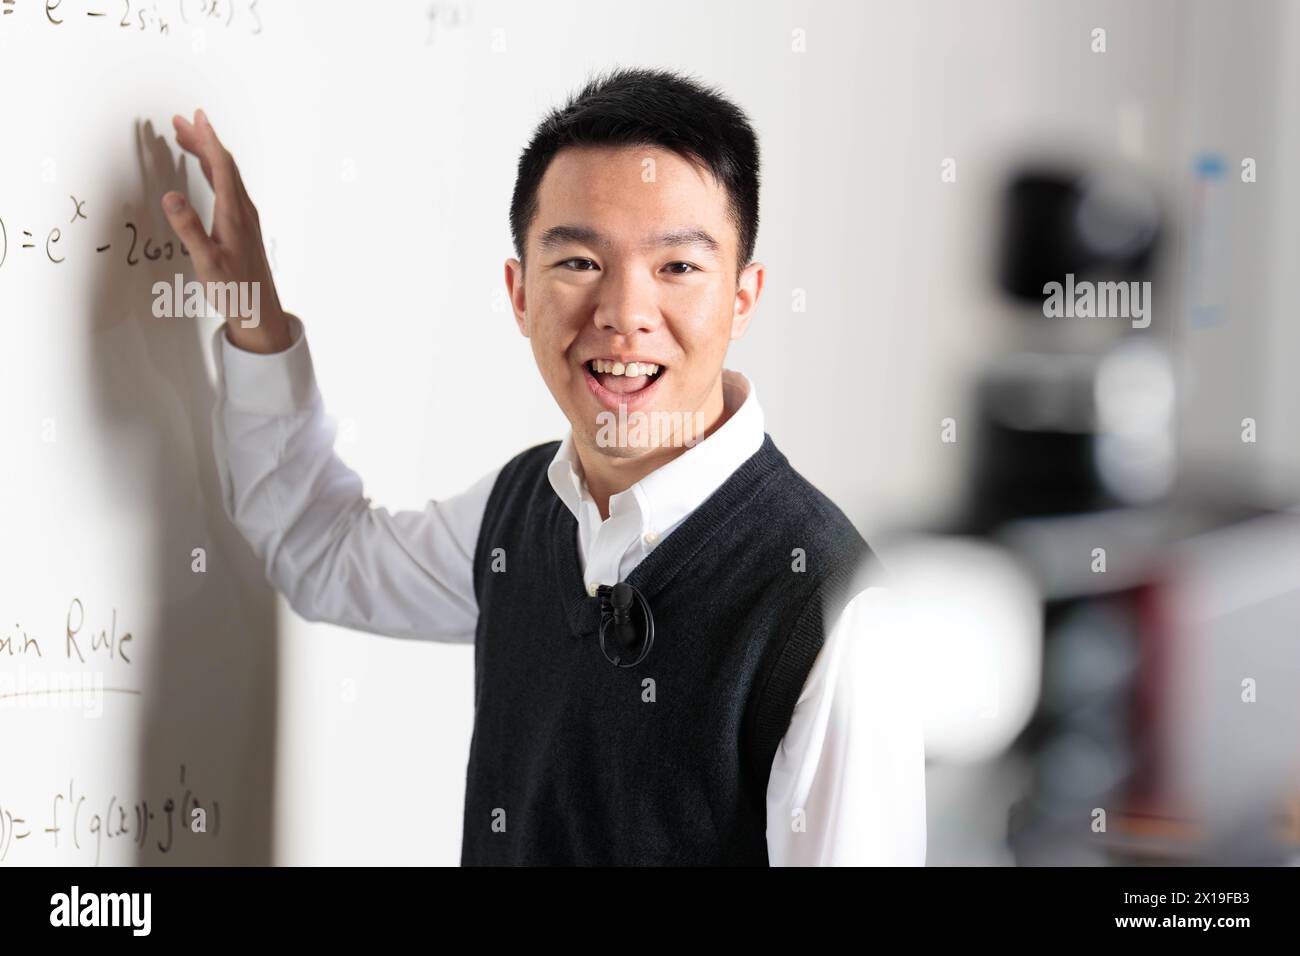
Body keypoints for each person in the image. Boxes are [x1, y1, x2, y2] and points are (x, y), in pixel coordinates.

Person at [162, 67, 925, 865]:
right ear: (519, 293)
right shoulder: (522, 510)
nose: (624, 315)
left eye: (678, 267)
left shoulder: (833, 612)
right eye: (580, 263)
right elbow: (320, 556)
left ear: (742, 298)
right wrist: (254, 316)